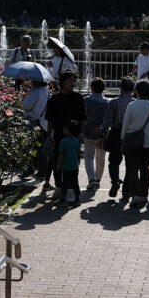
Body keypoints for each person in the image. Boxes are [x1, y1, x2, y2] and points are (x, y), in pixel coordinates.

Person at [43, 72, 86, 200]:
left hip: (74, 138)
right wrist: (49, 135)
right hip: (58, 136)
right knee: (57, 163)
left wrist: (82, 134)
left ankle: (71, 190)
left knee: (73, 165)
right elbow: (50, 119)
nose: (72, 84)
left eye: (73, 81)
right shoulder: (55, 99)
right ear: (62, 83)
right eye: (69, 81)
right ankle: (58, 188)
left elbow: (83, 118)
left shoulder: (78, 98)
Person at [121, 80, 149, 209]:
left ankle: (134, 195)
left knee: (132, 169)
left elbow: (125, 125)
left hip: (133, 142)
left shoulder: (132, 105)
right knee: (145, 168)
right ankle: (144, 195)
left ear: (137, 91)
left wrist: (123, 140)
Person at [100, 76, 135, 197]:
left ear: (121, 88)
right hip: (131, 135)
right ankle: (127, 190)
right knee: (130, 163)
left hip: (115, 133)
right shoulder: (135, 103)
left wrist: (103, 133)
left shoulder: (113, 102)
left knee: (113, 161)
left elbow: (107, 120)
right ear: (133, 89)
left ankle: (115, 181)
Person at [82, 77, 109, 190]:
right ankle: (98, 180)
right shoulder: (108, 102)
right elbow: (109, 118)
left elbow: (83, 117)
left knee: (88, 156)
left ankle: (91, 179)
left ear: (92, 87)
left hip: (88, 132)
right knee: (101, 157)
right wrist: (101, 127)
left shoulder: (86, 100)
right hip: (102, 134)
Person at [56, 120, 82, 205]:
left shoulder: (63, 141)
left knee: (64, 183)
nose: (63, 130)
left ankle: (63, 198)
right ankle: (77, 198)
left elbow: (61, 154)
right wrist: (78, 163)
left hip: (66, 166)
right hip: (75, 166)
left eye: (64, 128)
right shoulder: (77, 141)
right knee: (75, 182)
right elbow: (78, 154)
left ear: (68, 130)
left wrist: (58, 166)